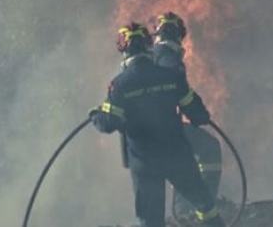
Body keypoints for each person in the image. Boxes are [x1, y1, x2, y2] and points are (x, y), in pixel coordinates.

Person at [89, 22, 226, 227]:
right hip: (177, 157)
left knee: (151, 221)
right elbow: (198, 115)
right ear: (148, 44)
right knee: (205, 206)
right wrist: (200, 115)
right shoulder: (171, 76)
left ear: (123, 48)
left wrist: (95, 114)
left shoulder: (120, 85)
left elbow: (108, 124)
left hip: (145, 165)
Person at [151, 12, 223, 220]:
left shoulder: (151, 56)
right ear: (177, 35)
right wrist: (199, 115)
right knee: (209, 148)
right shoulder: (168, 58)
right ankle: (197, 206)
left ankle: (186, 208)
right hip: (166, 130)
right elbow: (180, 92)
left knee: (184, 159)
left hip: (148, 134)